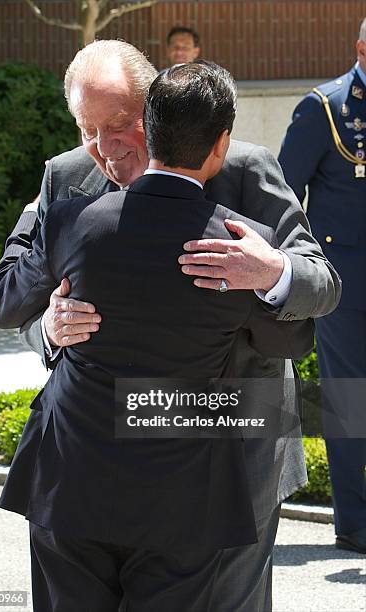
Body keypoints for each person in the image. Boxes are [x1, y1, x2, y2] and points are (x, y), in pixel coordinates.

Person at [0, 40, 341, 611]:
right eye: (87, 128)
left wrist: (273, 270)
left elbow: (320, 281)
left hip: (231, 463)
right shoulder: (66, 179)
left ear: (154, 106)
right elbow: (7, 294)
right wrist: (48, 329)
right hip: (91, 476)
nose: (105, 147)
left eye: (122, 122)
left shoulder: (242, 170)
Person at [278, 18, 366, 555]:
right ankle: (355, 521)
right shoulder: (326, 108)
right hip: (347, 286)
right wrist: (298, 270)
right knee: (351, 401)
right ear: (361, 48)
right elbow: (283, 195)